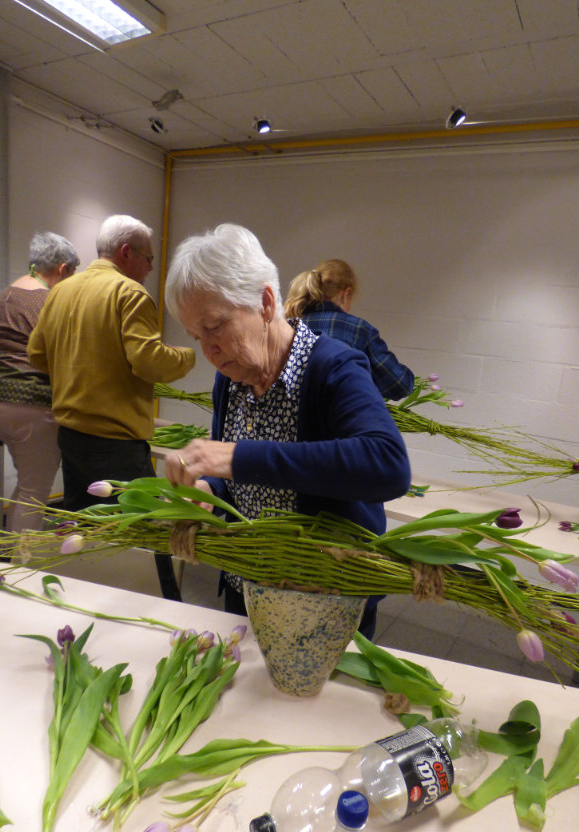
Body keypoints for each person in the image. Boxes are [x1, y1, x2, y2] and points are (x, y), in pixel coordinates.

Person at [164, 224, 411, 638]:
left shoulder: (333, 368)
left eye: (214, 327)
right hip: (249, 585)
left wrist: (234, 458)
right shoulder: (233, 378)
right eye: (194, 336)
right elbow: (241, 485)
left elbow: (387, 464)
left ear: (263, 303)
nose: (207, 351)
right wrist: (211, 490)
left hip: (324, 595)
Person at [27, 214, 195, 601]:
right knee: (144, 537)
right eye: (149, 258)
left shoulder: (62, 292)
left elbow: (37, 354)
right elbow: (148, 361)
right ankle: (168, 616)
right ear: (126, 252)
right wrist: (187, 356)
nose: (151, 268)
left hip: (71, 437)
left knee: (85, 533)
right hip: (117, 443)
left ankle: (84, 603)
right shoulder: (129, 293)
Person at [0, 231, 80, 532]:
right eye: (72, 274)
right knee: (35, 492)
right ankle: (23, 567)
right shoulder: (48, 299)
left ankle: (12, 552)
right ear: (62, 269)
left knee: (27, 484)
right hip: (28, 401)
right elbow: (61, 354)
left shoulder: (7, 294)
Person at [283, 259, 414, 400]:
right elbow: (400, 385)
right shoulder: (358, 330)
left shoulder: (287, 327)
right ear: (346, 294)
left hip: (292, 419)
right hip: (340, 418)